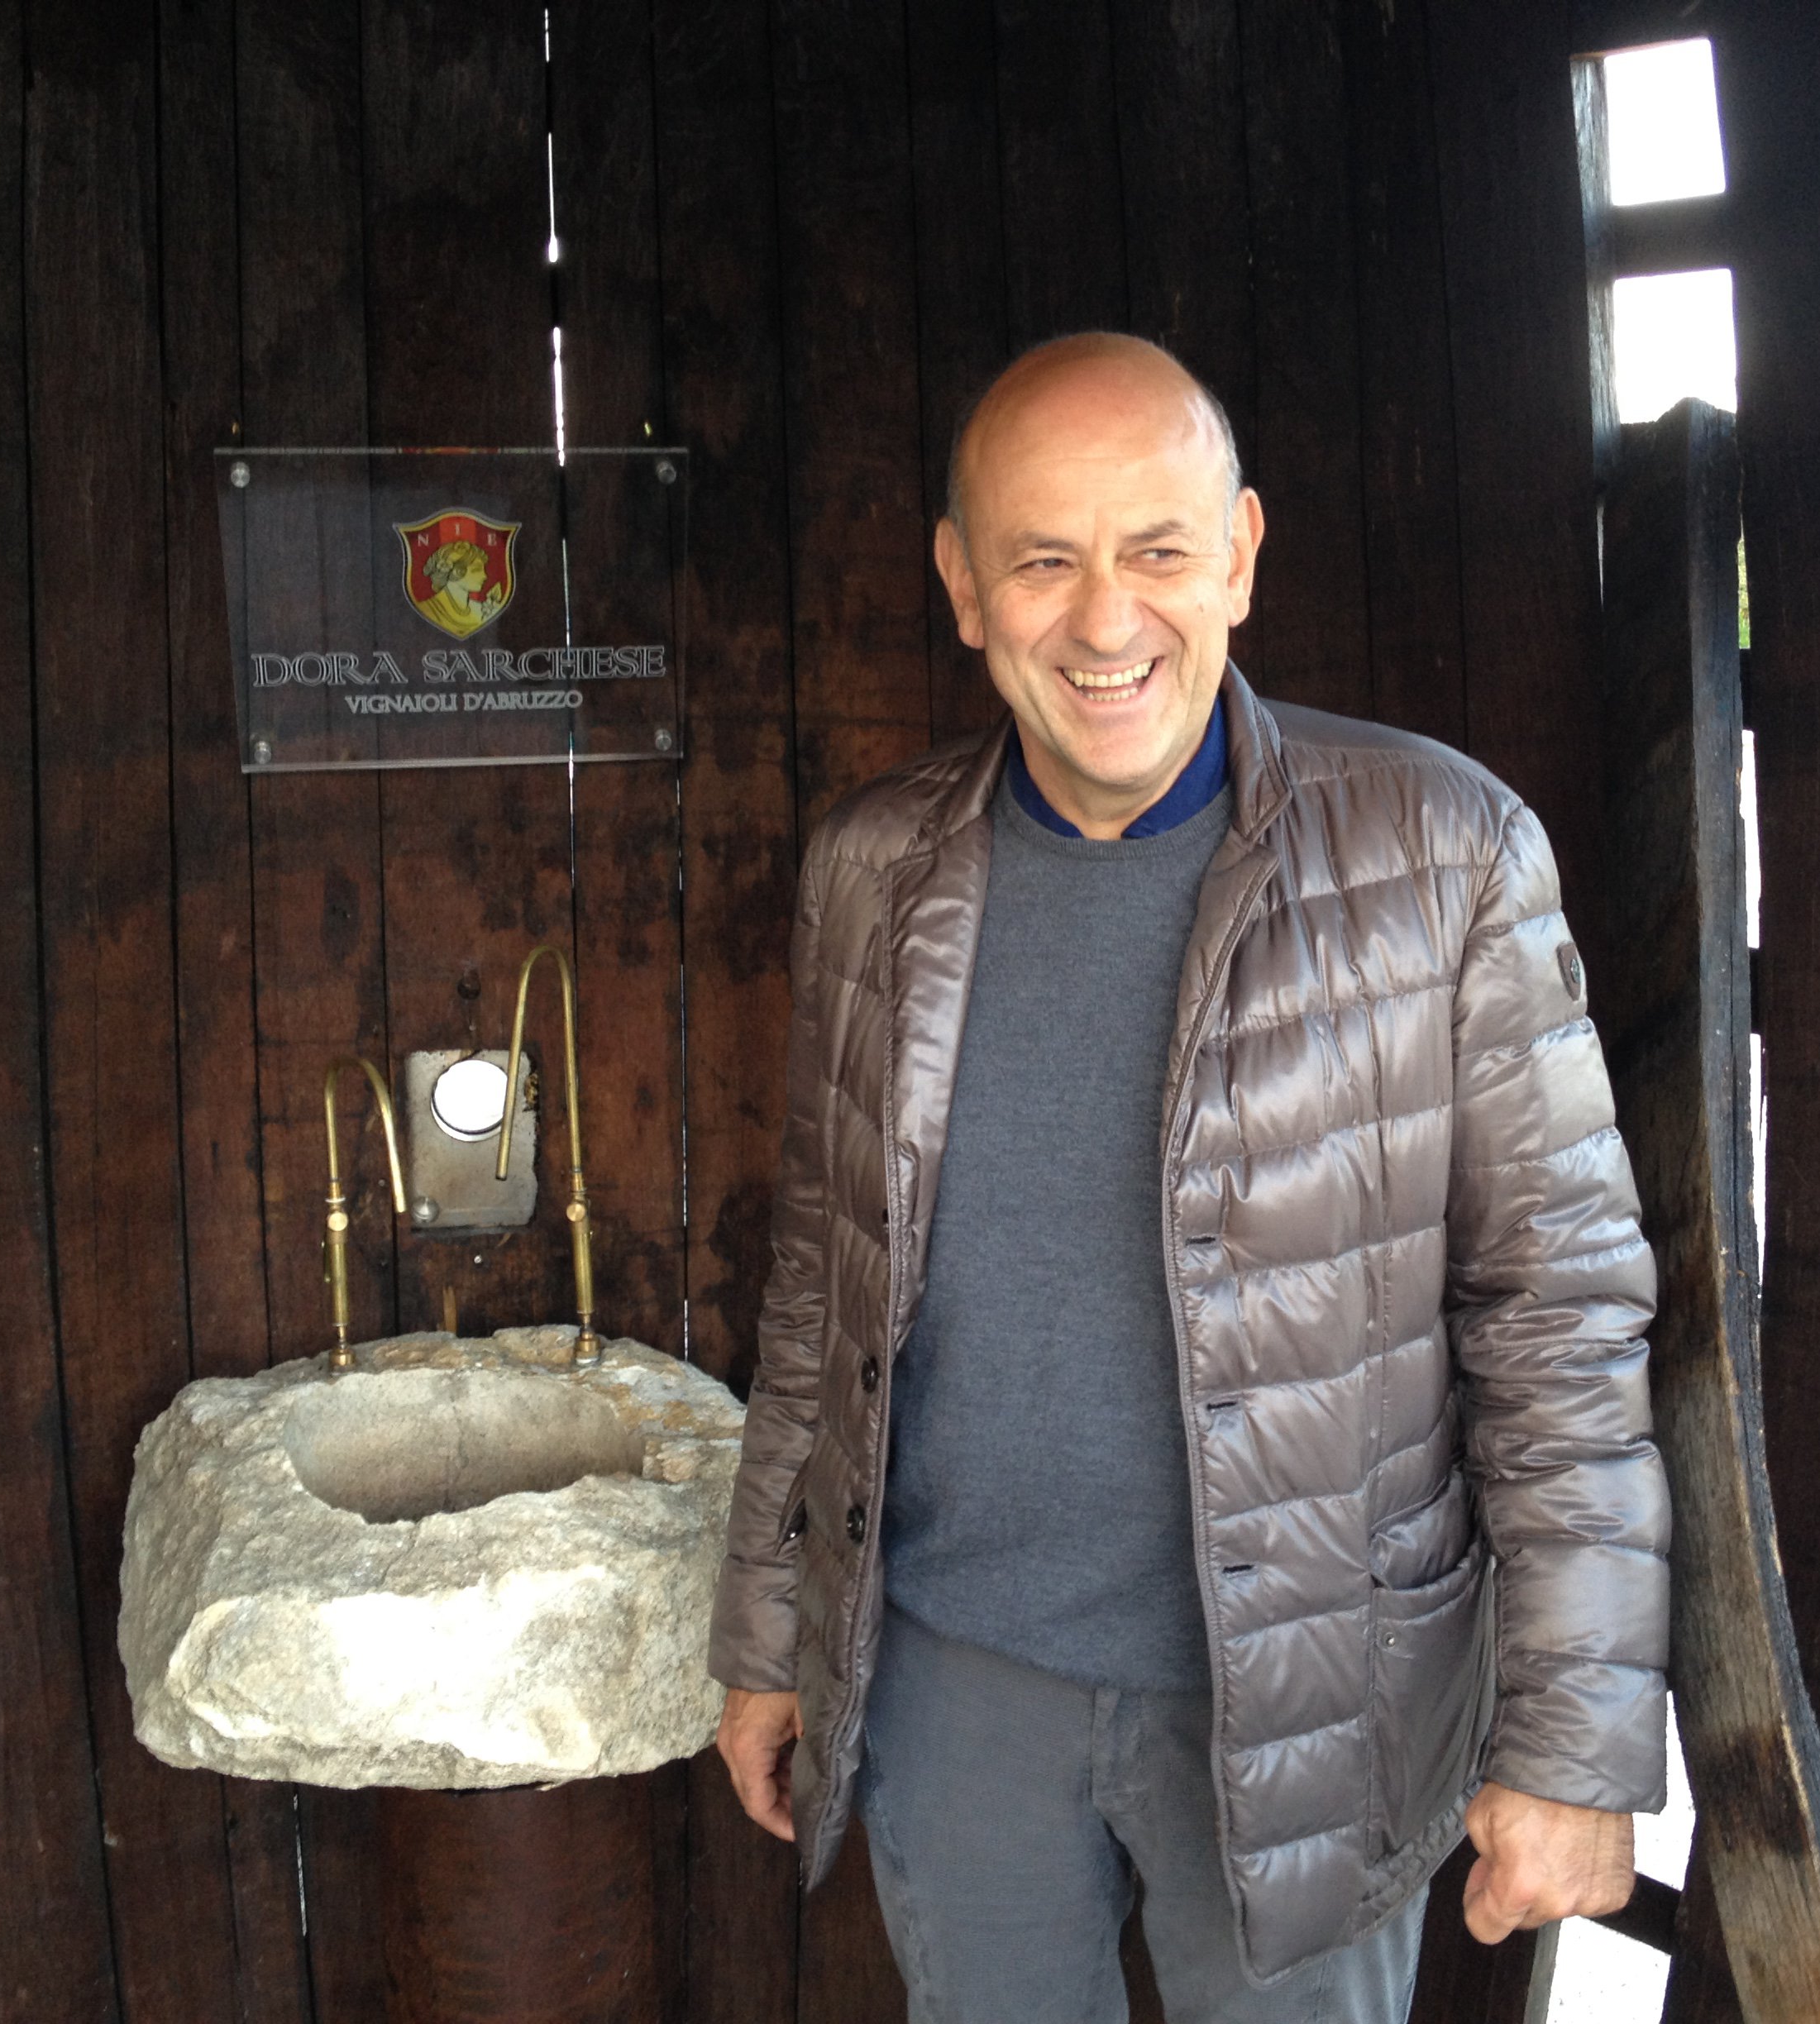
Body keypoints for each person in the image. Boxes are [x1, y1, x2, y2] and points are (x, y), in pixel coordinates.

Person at [707, 332, 1669, 2023]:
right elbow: (822, 1286)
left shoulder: (1443, 855)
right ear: (962, 586)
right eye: (1043, 561)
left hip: (1313, 1705)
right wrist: (769, 1630)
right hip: (952, 1684)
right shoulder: (871, 868)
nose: (1106, 621)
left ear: (1239, 554)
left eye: (1157, 549)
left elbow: (1559, 1317)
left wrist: (1576, 1744)